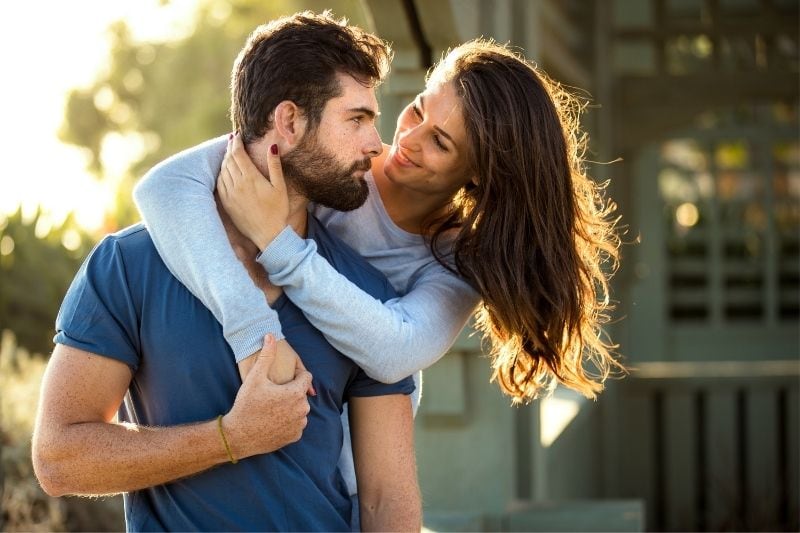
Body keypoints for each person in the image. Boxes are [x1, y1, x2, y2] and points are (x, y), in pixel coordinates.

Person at [135, 37, 623, 497]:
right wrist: (251, 332)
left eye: (441, 143)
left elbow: (395, 351)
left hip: (340, 489)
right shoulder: (335, 159)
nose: (408, 139)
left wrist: (277, 244)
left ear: (477, 172)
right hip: (239, 436)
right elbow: (163, 188)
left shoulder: (455, 261)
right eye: (416, 110)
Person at [32, 12, 420, 532]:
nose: (377, 144)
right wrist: (230, 438)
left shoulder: (366, 294)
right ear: (288, 122)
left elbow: (386, 500)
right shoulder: (130, 266)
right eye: (356, 119)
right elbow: (58, 458)